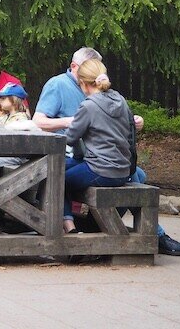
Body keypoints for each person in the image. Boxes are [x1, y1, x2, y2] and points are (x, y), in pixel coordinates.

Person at [33, 47, 180, 255]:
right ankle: (98, 226)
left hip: (96, 164)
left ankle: (88, 228)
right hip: (105, 162)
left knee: (57, 177)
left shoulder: (91, 103)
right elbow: (39, 121)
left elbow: (75, 137)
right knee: (59, 173)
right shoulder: (107, 96)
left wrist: (131, 123)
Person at [62, 59, 134, 233]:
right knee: (65, 169)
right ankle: (89, 226)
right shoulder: (120, 100)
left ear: (84, 84)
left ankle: (69, 227)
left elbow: (70, 139)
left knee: (57, 180)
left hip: (102, 170)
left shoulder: (89, 106)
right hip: (123, 169)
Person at [0, 83, 38, 179]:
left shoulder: (21, 118)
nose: (0, 101)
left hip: (17, 155)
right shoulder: (7, 116)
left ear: (13, 100)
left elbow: (14, 129)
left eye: (3, 99)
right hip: (7, 153)